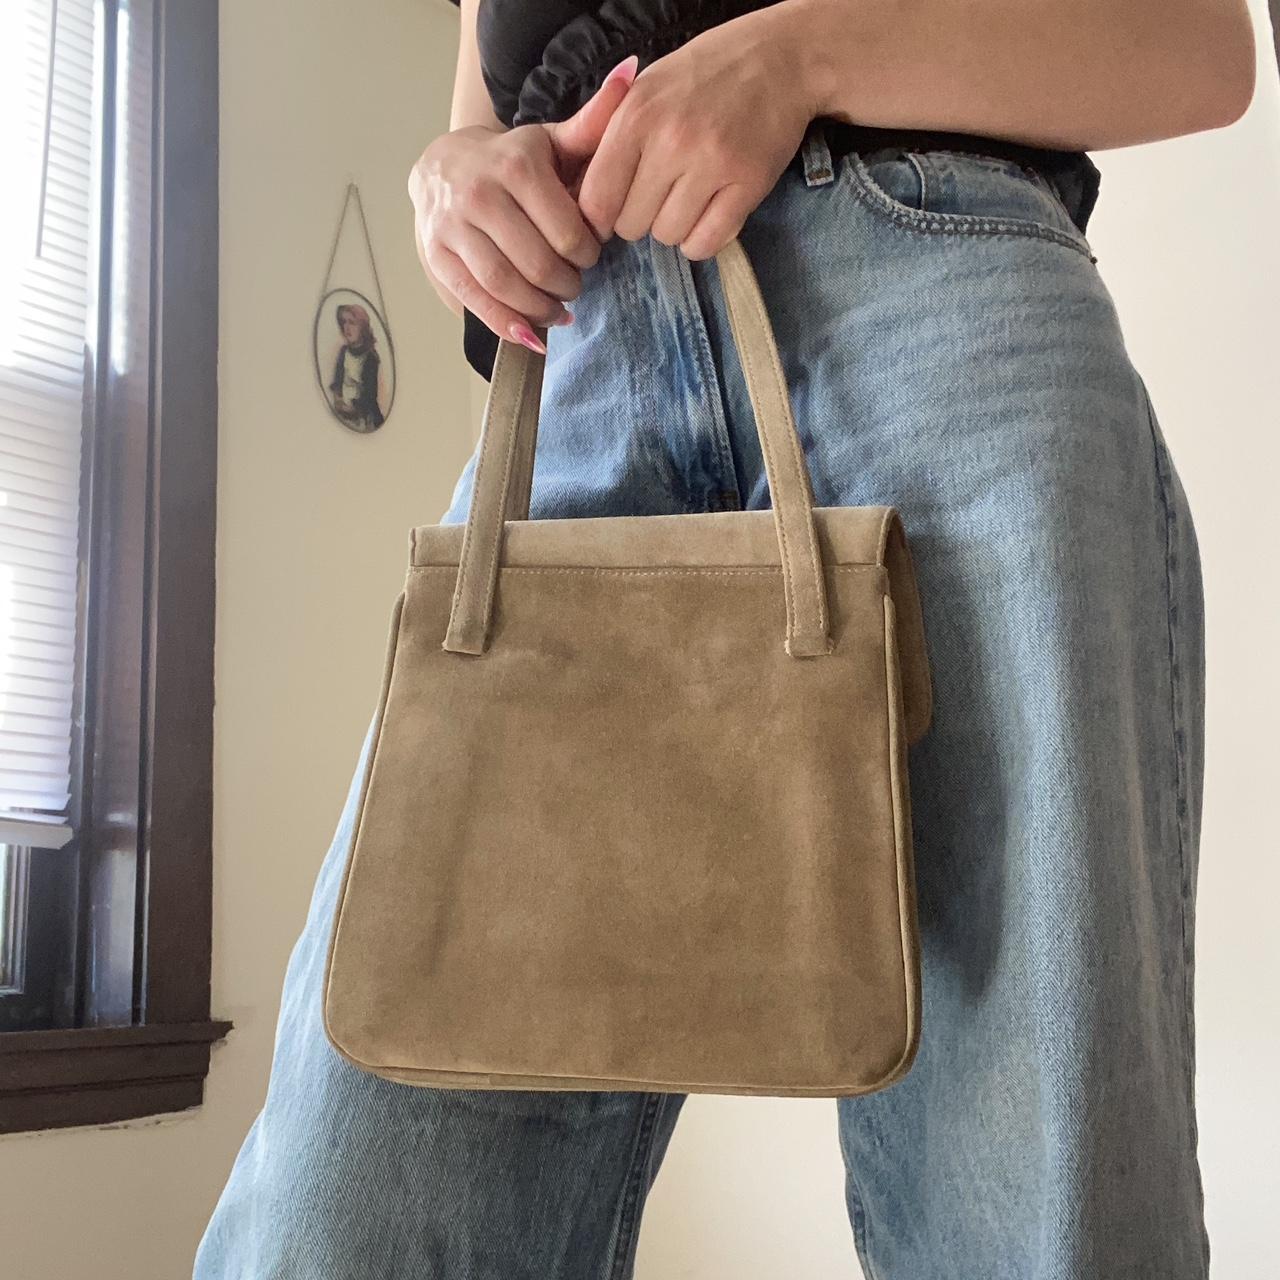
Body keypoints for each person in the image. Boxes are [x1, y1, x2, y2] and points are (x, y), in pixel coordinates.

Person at [195, 1, 1256, 1277]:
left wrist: (803, 54)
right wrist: (448, 183)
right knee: (337, 1203)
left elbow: (1199, 49)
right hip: (581, 359)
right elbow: (477, 114)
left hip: (937, 298)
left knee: (1036, 1210)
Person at [327, 302, 385, 431]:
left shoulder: (370, 358)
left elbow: (369, 396)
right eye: (344, 322)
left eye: (352, 323)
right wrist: (338, 400)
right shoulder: (344, 352)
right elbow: (338, 380)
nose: (346, 327)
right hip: (344, 412)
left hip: (363, 417)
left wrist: (353, 408)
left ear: (362, 328)